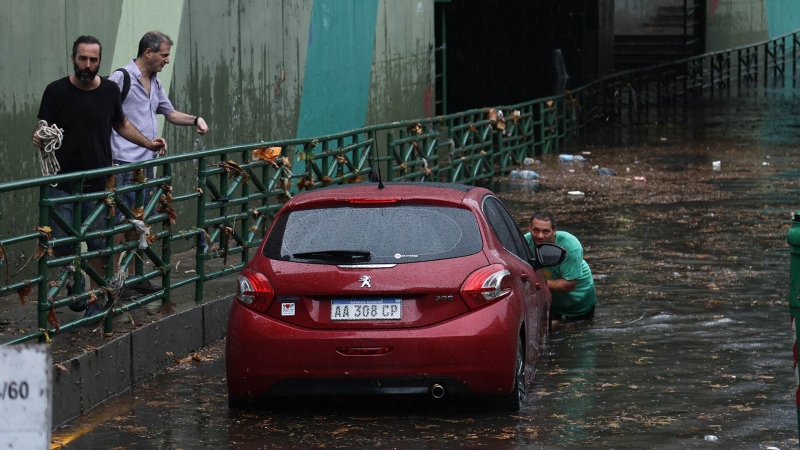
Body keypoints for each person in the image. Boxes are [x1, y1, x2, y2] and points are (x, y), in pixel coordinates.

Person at [32, 35, 167, 314]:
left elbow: (121, 123)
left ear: (99, 62)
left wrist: (147, 142)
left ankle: (97, 302)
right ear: (73, 58)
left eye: (93, 60)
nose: (88, 64)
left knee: (100, 246)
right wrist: (39, 137)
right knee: (62, 245)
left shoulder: (108, 91)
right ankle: (75, 284)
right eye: (83, 58)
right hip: (61, 183)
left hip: (98, 184)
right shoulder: (55, 91)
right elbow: (43, 128)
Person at [109, 31, 209, 297]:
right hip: (122, 162)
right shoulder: (121, 78)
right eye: (164, 55)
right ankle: (115, 281)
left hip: (146, 164)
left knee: (138, 222)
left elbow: (170, 113)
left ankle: (133, 277)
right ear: (148, 52)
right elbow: (105, 114)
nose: (166, 60)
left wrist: (196, 119)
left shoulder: (156, 82)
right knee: (119, 223)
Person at [524, 211, 596, 326]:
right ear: (529, 228)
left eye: (546, 231)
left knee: (578, 333)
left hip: (579, 300)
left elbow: (569, 285)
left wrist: (536, 283)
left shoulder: (570, 246)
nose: (540, 236)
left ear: (554, 230)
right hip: (553, 300)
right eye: (536, 230)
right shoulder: (525, 242)